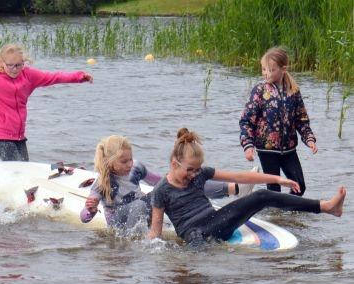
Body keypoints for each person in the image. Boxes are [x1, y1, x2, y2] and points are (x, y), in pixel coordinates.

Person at [148, 128, 346, 244]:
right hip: (193, 234)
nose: (194, 174)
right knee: (198, 259)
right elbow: (155, 232)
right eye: (190, 170)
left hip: (217, 221)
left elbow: (240, 176)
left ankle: (326, 207)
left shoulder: (201, 174)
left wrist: (277, 180)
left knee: (261, 197)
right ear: (175, 164)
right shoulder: (161, 191)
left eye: (197, 169)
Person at [80, 135, 256, 233]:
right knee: (139, 205)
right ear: (110, 162)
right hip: (120, 222)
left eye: (130, 159)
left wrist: (176, 179)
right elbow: (84, 217)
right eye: (124, 161)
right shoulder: (102, 182)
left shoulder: (136, 168)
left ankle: (235, 189)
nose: (129, 164)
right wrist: (91, 210)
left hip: (143, 209)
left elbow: (160, 181)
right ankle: (138, 239)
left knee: (183, 182)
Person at [240, 46, 317, 196]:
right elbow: (246, 121)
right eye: (263, 69)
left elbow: (301, 119)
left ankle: (289, 216)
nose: (266, 74)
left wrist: (309, 138)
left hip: (289, 150)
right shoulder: (259, 91)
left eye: (271, 70)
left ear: (283, 69)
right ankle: (275, 216)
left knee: (299, 186)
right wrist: (248, 145)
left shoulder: (293, 91)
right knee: (274, 191)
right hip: (266, 150)